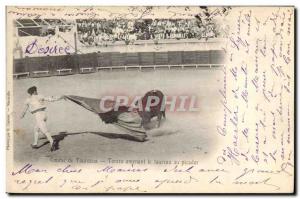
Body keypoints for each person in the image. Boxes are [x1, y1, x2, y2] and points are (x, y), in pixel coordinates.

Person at [20, 86, 64, 151]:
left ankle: (52, 142)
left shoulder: (28, 99)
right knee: (36, 129)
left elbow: (25, 108)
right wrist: (60, 97)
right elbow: (51, 99)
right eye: (36, 90)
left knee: (44, 130)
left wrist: (22, 115)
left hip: (38, 115)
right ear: (34, 91)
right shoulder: (40, 96)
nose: (37, 91)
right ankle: (35, 144)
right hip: (44, 114)